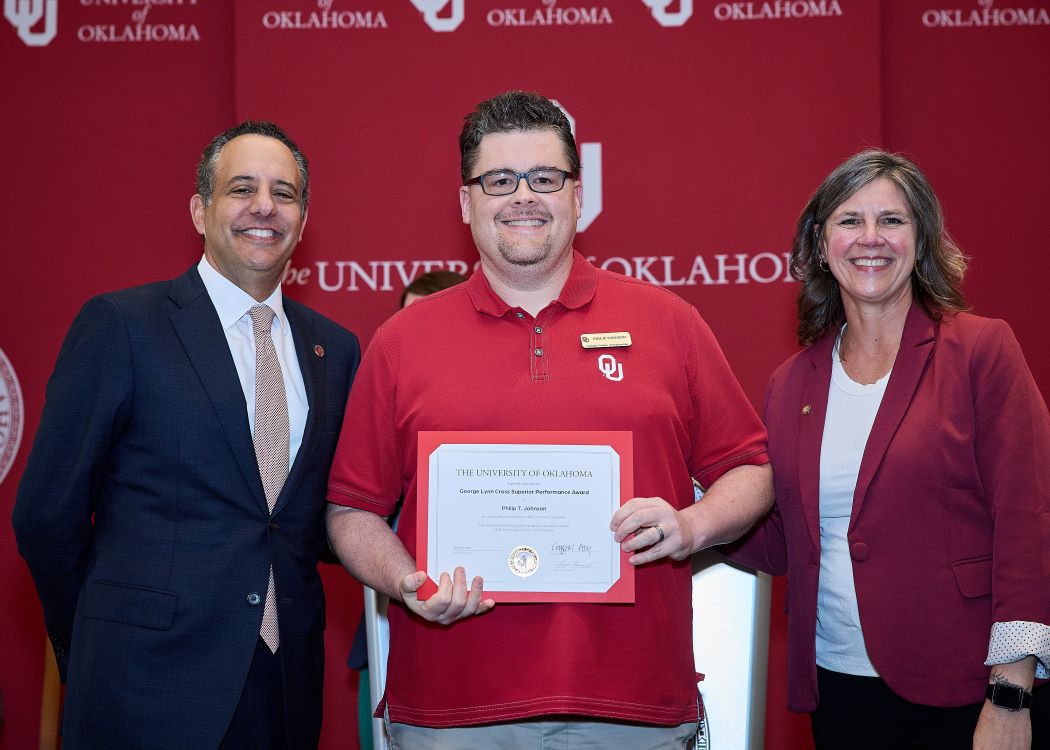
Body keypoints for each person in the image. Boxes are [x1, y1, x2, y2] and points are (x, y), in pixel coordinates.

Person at [325, 90, 773, 749]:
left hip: (633, 706)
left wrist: (690, 525)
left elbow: (750, 470)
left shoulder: (669, 323)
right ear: (466, 202)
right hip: (453, 710)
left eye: (545, 178)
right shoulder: (401, 340)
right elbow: (351, 512)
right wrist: (406, 583)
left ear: (578, 195)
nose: (523, 197)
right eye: (499, 180)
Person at [12, 121, 360, 749]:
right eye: (242, 189)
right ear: (201, 210)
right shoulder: (122, 326)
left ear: (303, 222)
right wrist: (98, 639)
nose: (264, 207)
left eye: (284, 194)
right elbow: (46, 514)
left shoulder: (334, 349)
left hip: (285, 688)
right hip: (141, 685)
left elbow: (325, 516)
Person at [725, 150, 1050, 749]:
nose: (870, 239)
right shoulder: (791, 382)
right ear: (820, 244)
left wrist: (1011, 691)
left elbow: (1028, 522)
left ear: (921, 239)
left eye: (892, 221)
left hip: (967, 688)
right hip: (839, 687)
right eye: (850, 221)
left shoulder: (982, 351)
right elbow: (782, 541)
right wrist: (691, 501)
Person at [347, 268, 465, 750]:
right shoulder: (380, 404)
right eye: (405, 319)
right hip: (389, 631)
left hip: (477, 643)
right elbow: (353, 509)